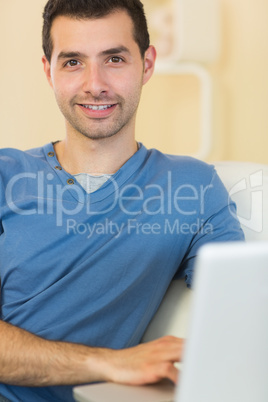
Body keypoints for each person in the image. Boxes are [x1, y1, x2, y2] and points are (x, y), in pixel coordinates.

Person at [0, 0, 244, 401]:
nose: (94, 83)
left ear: (147, 64)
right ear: (49, 71)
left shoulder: (193, 187)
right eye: (73, 62)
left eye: (114, 58)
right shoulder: (6, 173)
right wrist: (108, 362)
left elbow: (239, 310)